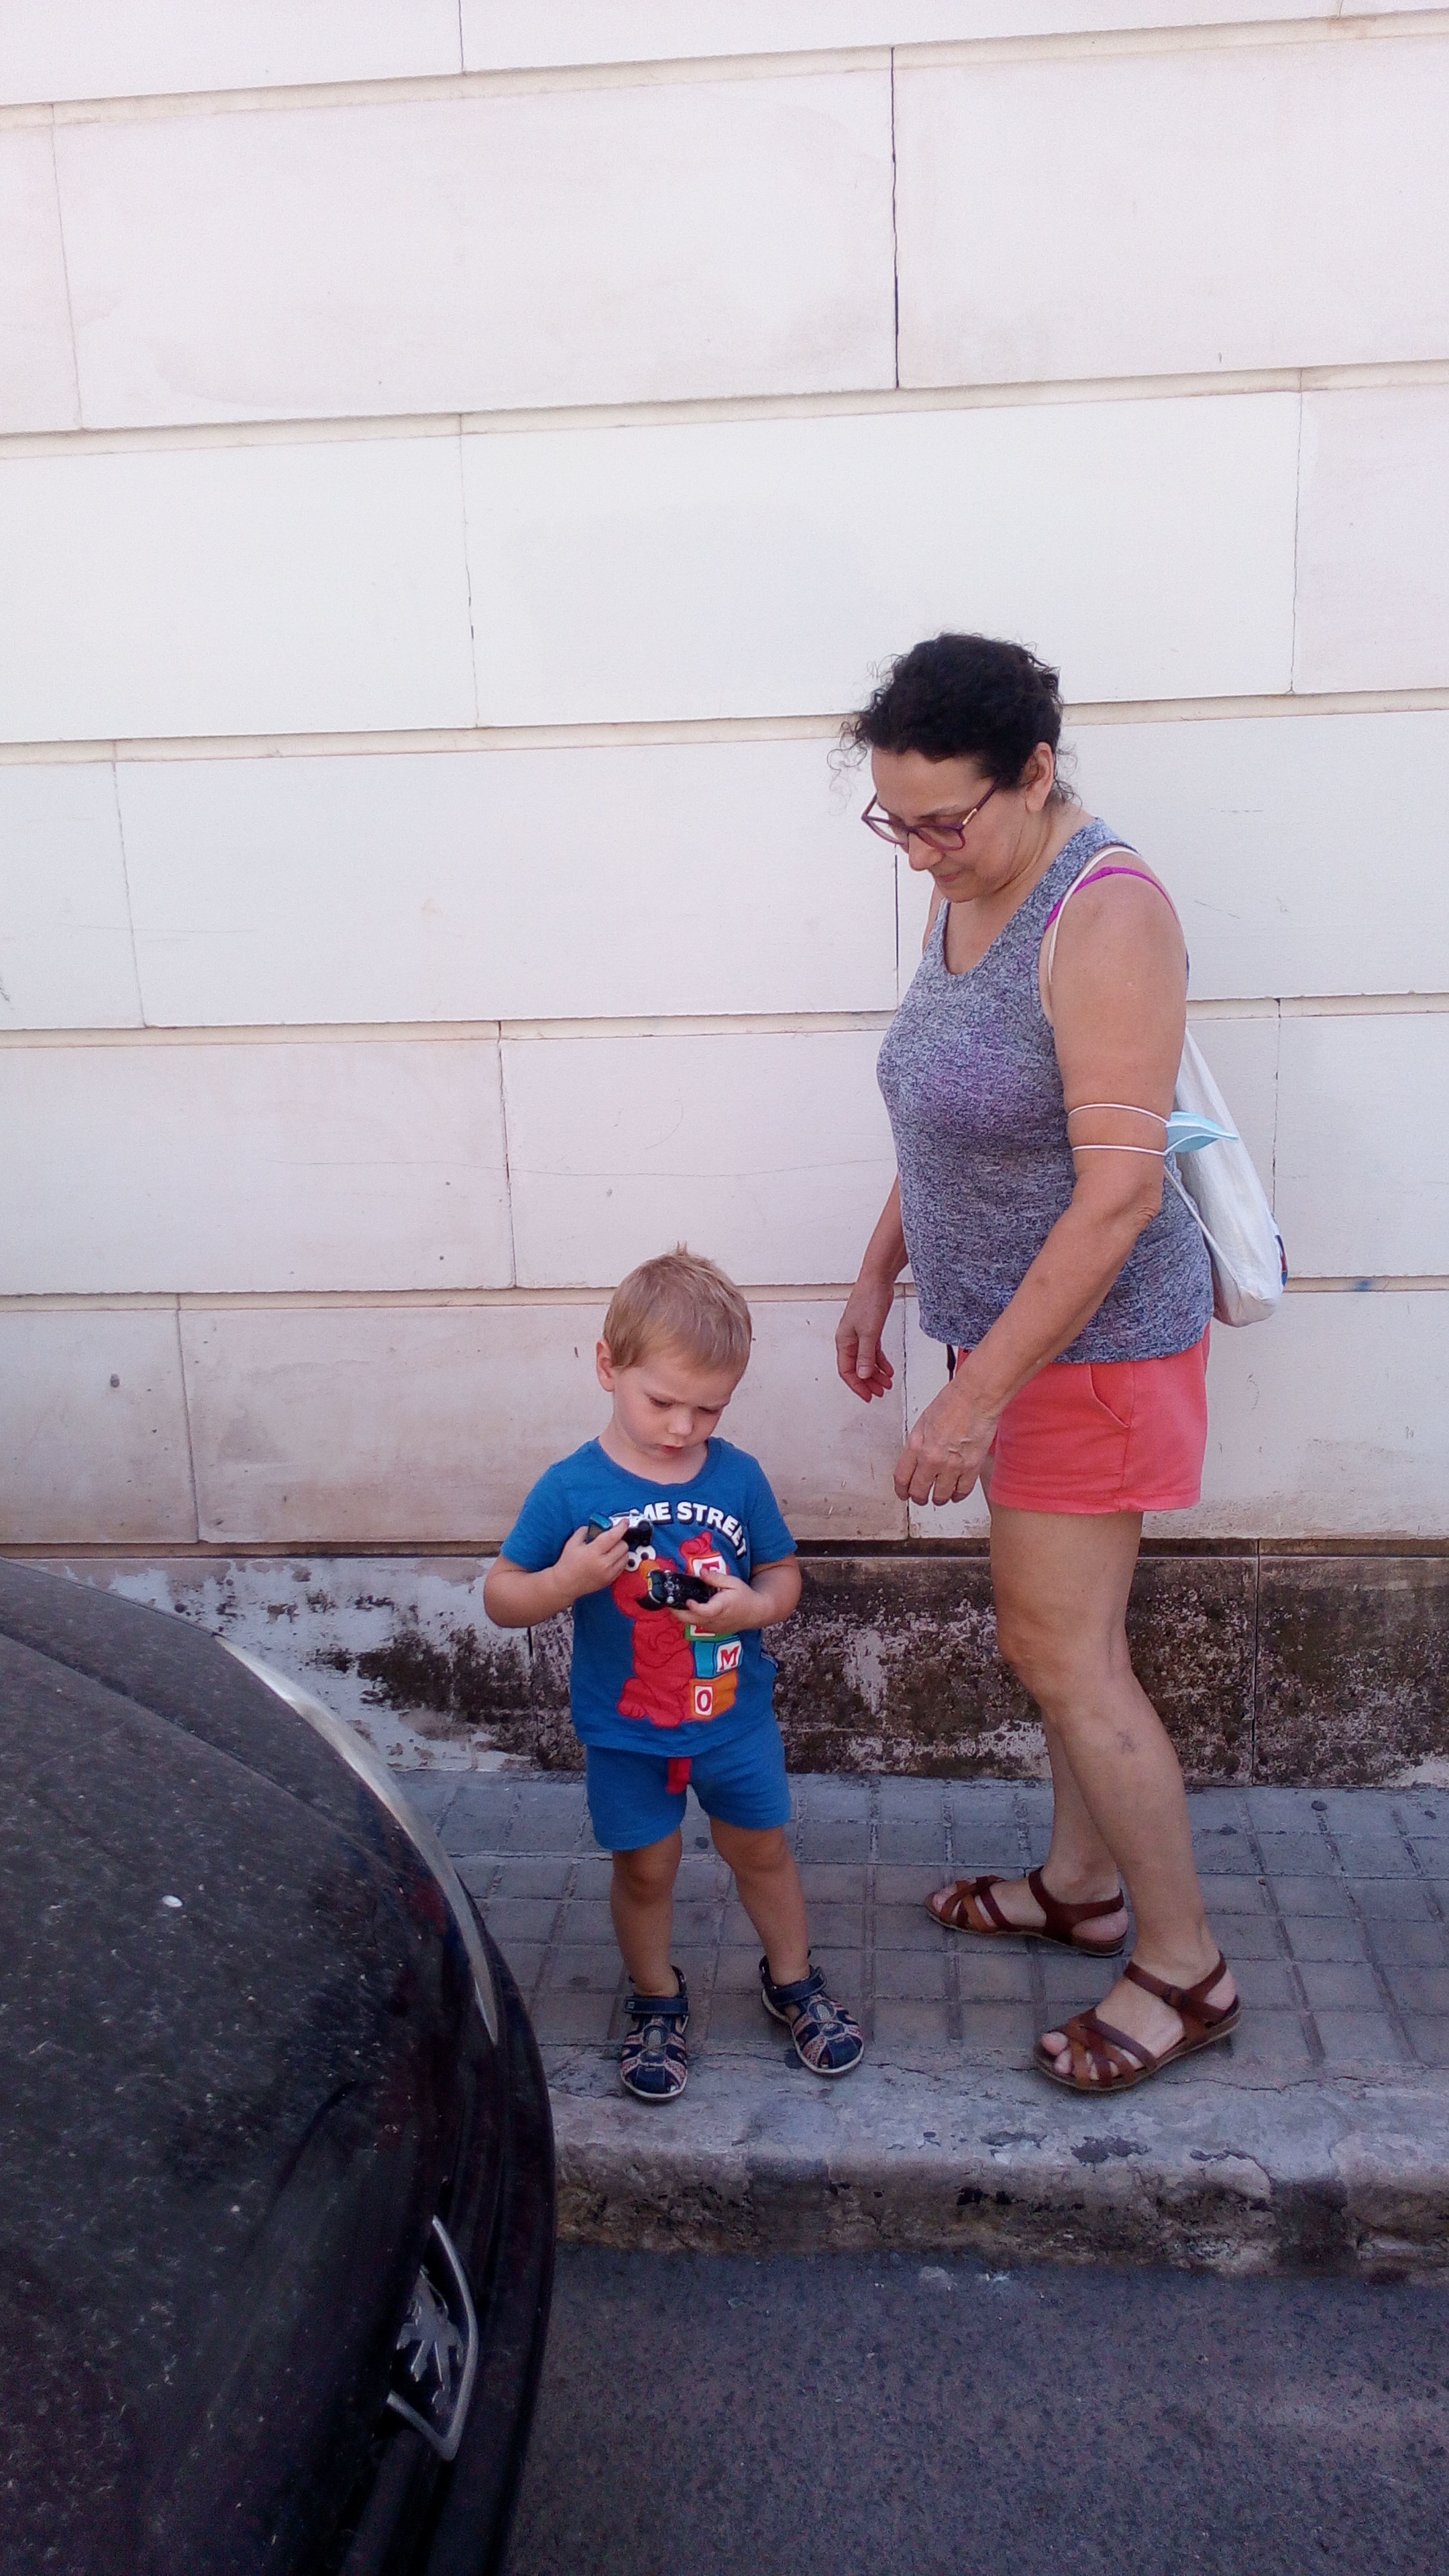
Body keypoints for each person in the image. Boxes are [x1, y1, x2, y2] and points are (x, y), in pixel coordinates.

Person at [836, 632, 1240, 2093]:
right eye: (894, 821)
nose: (919, 851)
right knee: (1065, 1646)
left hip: (1091, 1351)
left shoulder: (1107, 914)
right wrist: (883, 1268)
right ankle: (1080, 1889)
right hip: (1005, 1335)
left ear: (1037, 774)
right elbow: (945, 1105)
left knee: (1063, 1653)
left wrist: (970, 1399)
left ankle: (1185, 1969)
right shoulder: (965, 884)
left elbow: (1118, 1197)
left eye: (945, 820)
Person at [486, 1246, 864, 2102]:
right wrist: (565, 1582)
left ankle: (792, 1979)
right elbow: (502, 1596)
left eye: (709, 1407)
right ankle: (657, 1997)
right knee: (645, 1870)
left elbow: (783, 1575)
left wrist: (752, 1608)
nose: (684, 1427)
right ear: (607, 1366)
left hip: (733, 1723)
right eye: (662, 1401)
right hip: (628, 1733)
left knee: (761, 1851)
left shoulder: (738, 1477)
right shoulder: (570, 1487)